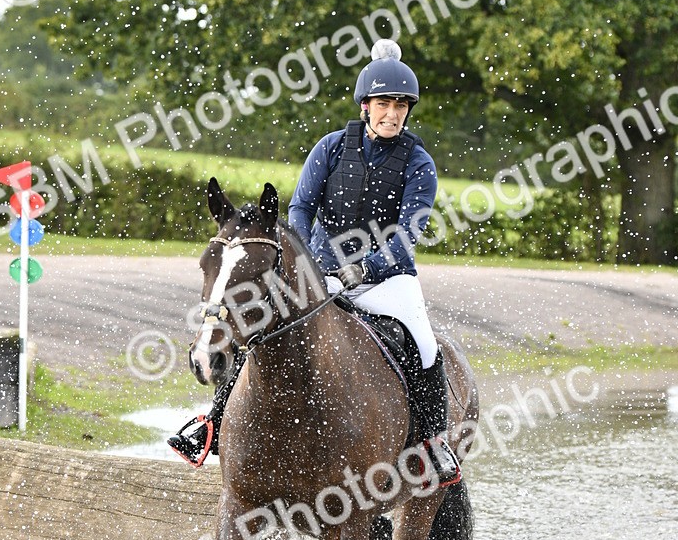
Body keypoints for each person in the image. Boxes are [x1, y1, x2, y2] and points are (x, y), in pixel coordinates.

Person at [168, 39, 461, 487]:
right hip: (321, 271)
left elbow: (408, 233)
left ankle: (433, 446)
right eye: (384, 103)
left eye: (401, 106)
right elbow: (301, 208)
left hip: (388, 279)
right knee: (258, 330)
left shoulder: (419, 163)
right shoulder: (330, 148)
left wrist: (365, 269)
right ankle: (213, 424)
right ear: (366, 105)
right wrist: (310, 261)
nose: (392, 113)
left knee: (425, 348)